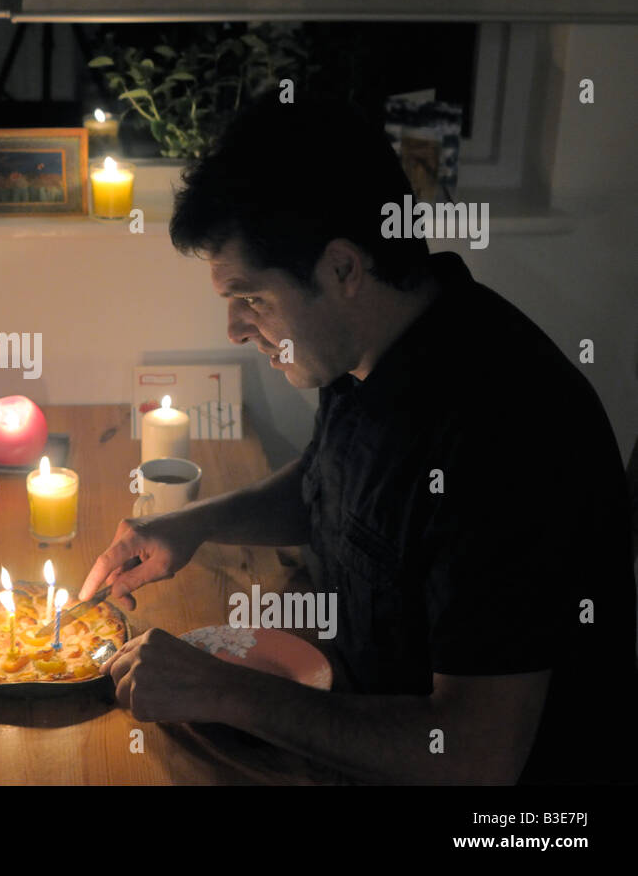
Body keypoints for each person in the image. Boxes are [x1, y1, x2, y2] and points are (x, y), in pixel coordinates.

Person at [81, 93, 638, 785]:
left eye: (250, 298)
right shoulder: (369, 347)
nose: (234, 330)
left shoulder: (502, 433)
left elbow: (474, 754)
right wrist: (192, 526)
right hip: (349, 701)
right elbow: (331, 486)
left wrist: (224, 689)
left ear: (343, 269)